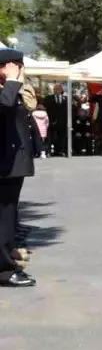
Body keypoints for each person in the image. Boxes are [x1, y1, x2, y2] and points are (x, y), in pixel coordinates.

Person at [0, 48, 36, 288]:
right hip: (3, 161)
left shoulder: (10, 89)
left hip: (11, 161)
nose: (19, 70)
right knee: (3, 216)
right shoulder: (7, 90)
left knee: (8, 214)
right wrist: (12, 81)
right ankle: (3, 271)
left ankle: (7, 252)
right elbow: (4, 107)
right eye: (14, 66)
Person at [46, 83, 69, 156]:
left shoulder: (66, 98)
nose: (56, 90)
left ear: (61, 90)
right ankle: (49, 151)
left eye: (58, 89)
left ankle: (61, 151)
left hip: (62, 121)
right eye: (55, 89)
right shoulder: (48, 98)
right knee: (51, 137)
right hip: (51, 121)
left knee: (62, 137)